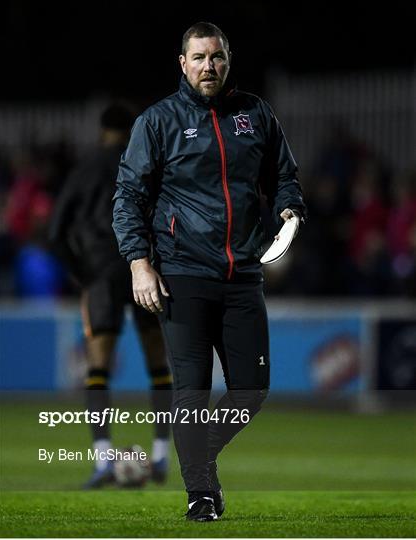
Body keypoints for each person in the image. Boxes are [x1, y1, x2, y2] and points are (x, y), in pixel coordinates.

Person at [112, 22, 306, 521]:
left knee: (251, 391)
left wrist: (289, 210)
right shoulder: (157, 122)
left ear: (228, 59)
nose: (208, 67)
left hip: (242, 276)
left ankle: (197, 458)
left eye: (216, 57)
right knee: (191, 392)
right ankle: (201, 492)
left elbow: (284, 176)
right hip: (182, 275)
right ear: (182, 63)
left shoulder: (255, 115)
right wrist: (139, 265)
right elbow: (128, 198)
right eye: (198, 58)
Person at [48, 104, 173, 488]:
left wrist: (82, 274)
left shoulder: (84, 168)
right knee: (159, 364)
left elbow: (55, 232)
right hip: (143, 268)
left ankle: (103, 460)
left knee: (98, 367)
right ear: (131, 130)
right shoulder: (145, 163)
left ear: (102, 130)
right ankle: (161, 456)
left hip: (100, 272)